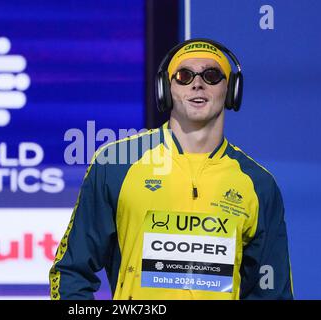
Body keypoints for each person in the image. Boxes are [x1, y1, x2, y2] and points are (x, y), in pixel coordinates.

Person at [49, 38, 293, 300]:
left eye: (211, 75)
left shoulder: (258, 184)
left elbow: (272, 293)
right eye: (184, 75)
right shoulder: (117, 163)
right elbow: (69, 272)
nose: (197, 83)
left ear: (232, 89)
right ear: (165, 89)